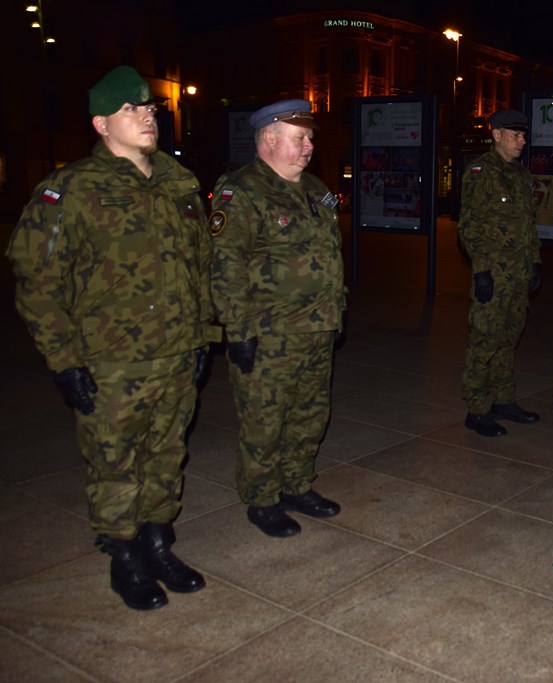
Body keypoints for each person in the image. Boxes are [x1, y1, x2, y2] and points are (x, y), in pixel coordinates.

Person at [6, 65, 216, 610]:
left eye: (149, 107)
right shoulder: (70, 188)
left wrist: (202, 338)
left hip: (176, 352)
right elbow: (37, 281)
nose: (147, 113)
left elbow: (201, 268)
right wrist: (63, 360)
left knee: (167, 454)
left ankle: (157, 542)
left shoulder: (179, 183)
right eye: (131, 108)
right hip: (111, 360)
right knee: (115, 461)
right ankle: (124, 557)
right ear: (101, 123)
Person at [209, 98, 346, 538]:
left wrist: (337, 310)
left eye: (309, 139)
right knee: (265, 420)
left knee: (310, 414)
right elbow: (225, 265)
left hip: (317, 327)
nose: (309, 146)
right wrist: (238, 331)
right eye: (300, 138)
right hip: (268, 333)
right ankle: (262, 498)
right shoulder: (241, 191)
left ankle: (296, 484)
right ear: (269, 139)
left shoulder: (315, 190)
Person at [458, 108, 543, 437]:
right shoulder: (482, 172)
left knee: (509, 339)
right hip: (493, 273)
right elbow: (469, 225)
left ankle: (503, 400)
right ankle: (477, 409)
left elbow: (528, 225)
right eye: (515, 134)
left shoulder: (521, 176)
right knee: (485, 341)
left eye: (524, 135)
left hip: (518, 275)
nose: (522, 140)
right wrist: (481, 270)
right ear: (496, 135)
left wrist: (535, 261)